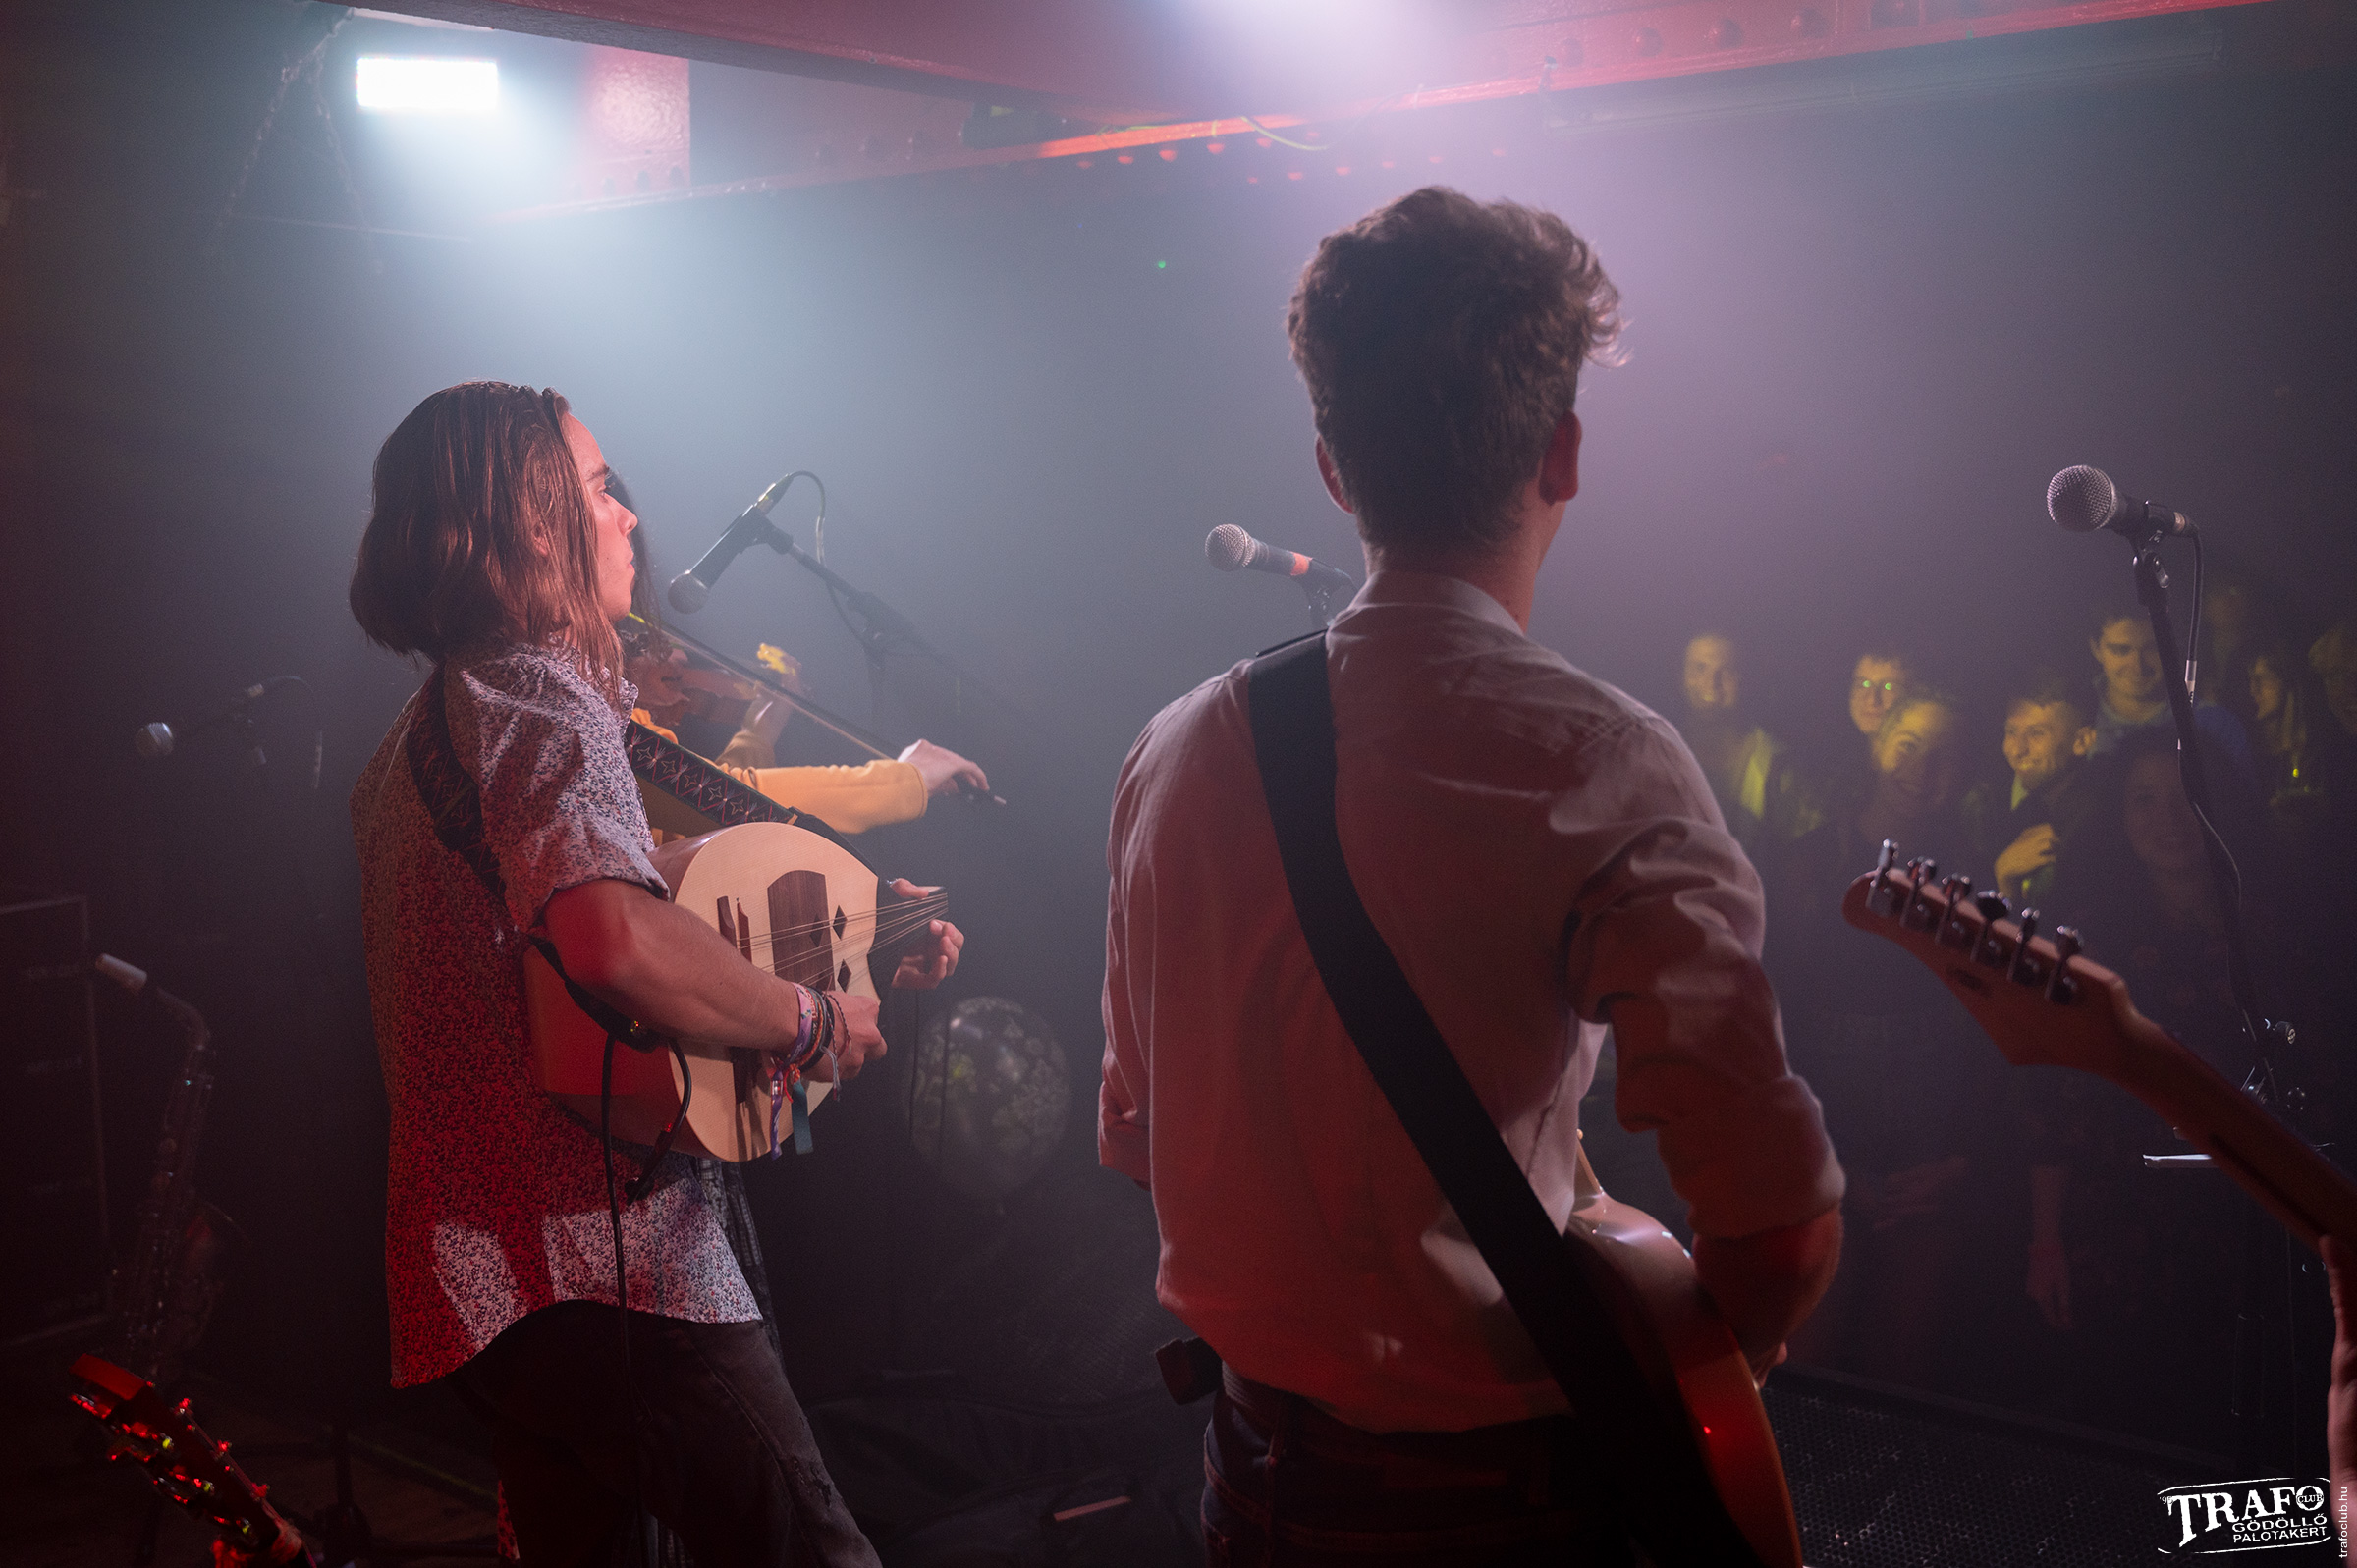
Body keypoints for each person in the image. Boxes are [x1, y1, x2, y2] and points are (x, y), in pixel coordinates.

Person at [1100, 188, 1843, 1563]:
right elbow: (1781, 1236)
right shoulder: (1605, 761)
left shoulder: (1173, 750)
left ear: (1333, 470)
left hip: (1249, 1482)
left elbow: (1139, 1139)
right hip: (1505, 1507)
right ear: (1564, 453)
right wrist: (1676, 1371)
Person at [348, 382, 963, 1568]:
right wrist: (807, 1018)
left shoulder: (414, 739)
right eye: (596, 488)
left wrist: (861, 933)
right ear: (535, 526)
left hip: (480, 1282)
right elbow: (615, 941)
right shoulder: (540, 689)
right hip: (604, 1266)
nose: (627, 513)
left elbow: (611, 906)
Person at [1768, 690, 2000, 1393]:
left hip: (1923, 1172)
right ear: (1875, 748)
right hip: (1814, 1165)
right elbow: (1765, 1021)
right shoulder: (1803, 868)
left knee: (1901, 1380)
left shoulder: (1974, 881)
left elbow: (1988, 1039)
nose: (1922, 769)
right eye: (1908, 745)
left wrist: (1960, 1159)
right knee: (1804, 1372)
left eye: (1944, 756)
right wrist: (1817, 1163)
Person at [614, 496, 988, 837]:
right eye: (601, 494)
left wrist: (760, 733)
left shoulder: (612, 712)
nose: (629, 516)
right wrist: (903, 780)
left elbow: (687, 821)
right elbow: (718, 800)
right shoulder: (589, 701)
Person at [1958, 672, 2099, 907]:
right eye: (2011, 732)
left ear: (2082, 741)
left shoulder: (2095, 824)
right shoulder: (2027, 810)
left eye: (2036, 734)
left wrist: (2005, 878)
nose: (2018, 750)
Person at [2084, 604, 2256, 784]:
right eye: (2122, 650)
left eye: (2152, 648)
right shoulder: (2074, 720)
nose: (2137, 666)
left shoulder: (2215, 725)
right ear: (2096, 648)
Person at [1675, 630, 1815, 851]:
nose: (1711, 683)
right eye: (1699, 668)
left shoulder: (1776, 764)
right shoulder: (1660, 752)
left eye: (1726, 671)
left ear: (1745, 679)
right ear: (1681, 677)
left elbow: (1803, 855)